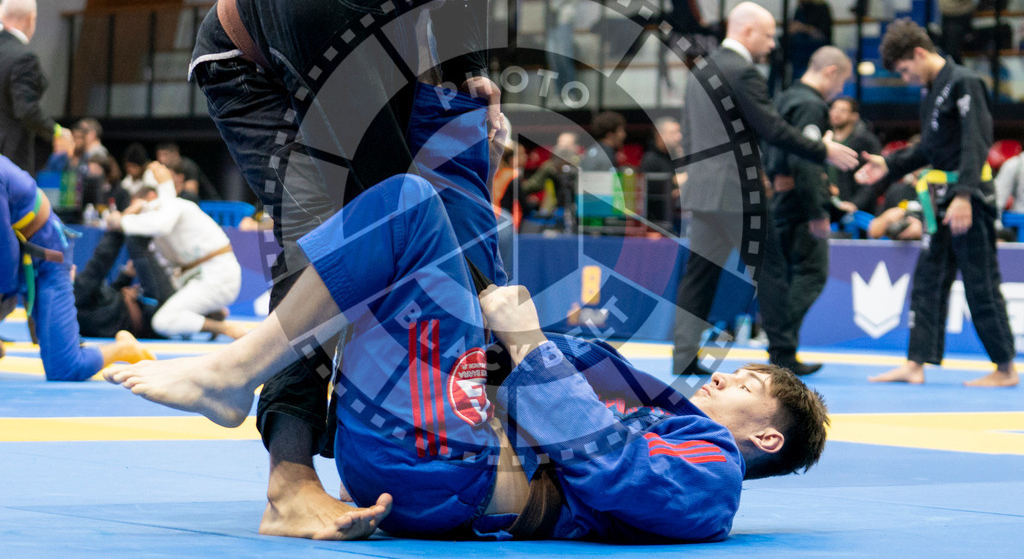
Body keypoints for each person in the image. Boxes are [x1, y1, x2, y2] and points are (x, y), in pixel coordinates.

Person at [103, 96, 829, 543]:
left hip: (454, 469)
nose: (730, 373)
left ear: (765, 433)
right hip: (448, 429)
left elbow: (617, 469)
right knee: (456, 133)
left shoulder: (714, 477)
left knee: (410, 208)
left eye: (749, 380)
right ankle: (463, 100)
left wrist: (527, 342)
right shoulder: (664, 409)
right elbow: (551, 379)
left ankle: (236, 374)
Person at [188, 0, 508, 538]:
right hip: (255, 77)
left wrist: (471, 69)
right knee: (327, 240)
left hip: (357, 45)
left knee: (445, 148)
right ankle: (288, 480)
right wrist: (480, 310)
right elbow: (388, 202)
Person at [674, 1, 858, 376]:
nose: (773, 44)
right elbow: (772, 128)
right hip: (737, 191)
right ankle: (783, 357)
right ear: (747, 32)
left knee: (699, 273)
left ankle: (683, 356)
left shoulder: (700, 69)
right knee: (771, 271)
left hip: (704, 188)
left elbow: (691, 132)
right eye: (769, 35)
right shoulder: (742, 72)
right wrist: (823, 149)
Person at [855, 19, 1017, 387]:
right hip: (940, 201)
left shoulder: (964, 82)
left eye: (904, 69)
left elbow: (977, 142)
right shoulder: (931, 92)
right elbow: (930, 149)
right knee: (928, 280)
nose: (905, 77)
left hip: (969, 200)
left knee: (980, 282)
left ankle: (1005, 368)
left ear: (919, 53)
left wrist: (964, 196)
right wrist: (888, 164)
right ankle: (916, 364)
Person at [1, 154, 154, 380]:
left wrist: (4, 299)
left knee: (65, 369)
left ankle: (124, 349)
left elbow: (6, 256)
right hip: (15, 254)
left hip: (46, 257)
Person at [763, 46, 853, 375]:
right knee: (811, 274)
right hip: (799, 205)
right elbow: (804, 158)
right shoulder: (811, 105)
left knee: (785, 276)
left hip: (780, 197)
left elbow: (775, 147)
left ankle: (780, 347)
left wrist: (776, 177)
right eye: (841, 80)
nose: (840, 89)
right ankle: (782, 346)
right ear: (830, 70)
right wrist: (818, 211)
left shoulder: (785, 98)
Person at [105, 162, 247, 340]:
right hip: (196, 276)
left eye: (139, 205)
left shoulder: (176, 207)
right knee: (166, 306)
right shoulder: (156, 221)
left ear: (150, 196)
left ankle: (222, 327)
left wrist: (121, 221)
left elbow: (160, 224)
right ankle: (210, 314)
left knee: (162, 321)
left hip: (217, 276)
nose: (138, 211)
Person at [0, 0, 65, 176]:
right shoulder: (24, 57)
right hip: (9, 162)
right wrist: (57, 131)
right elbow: (26, 109)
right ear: (31, 19)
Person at [828, 96, 882, 215]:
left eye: (843, 110)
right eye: (834, 109)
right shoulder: (824, 139)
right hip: (829, 205)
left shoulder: (866, 142)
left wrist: (855, 203)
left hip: (856, 208)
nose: (836, 113)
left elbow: (872, 179)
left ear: (854, 116)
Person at [640, 117, 685, 230]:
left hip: (678, 220)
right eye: (672, 132)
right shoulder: (650, 159)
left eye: (679, 132)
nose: (678, 136)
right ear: (660, 134)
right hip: (657, 224)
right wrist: (674, 182)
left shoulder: (676, 158)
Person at [788, 0, 833, 79]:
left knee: (800, 50)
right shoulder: (800, 8)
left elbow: (823, 33)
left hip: (816, 45)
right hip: (800, 46)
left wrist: (804, 28)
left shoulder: (822, 8)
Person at [155, 142, 219, 201]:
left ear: (176, 154)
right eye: (159, 155)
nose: (161, 159)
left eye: (165, 155)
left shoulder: (188, 166)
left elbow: (191, 191)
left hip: (208, 202)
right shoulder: (159, 168)